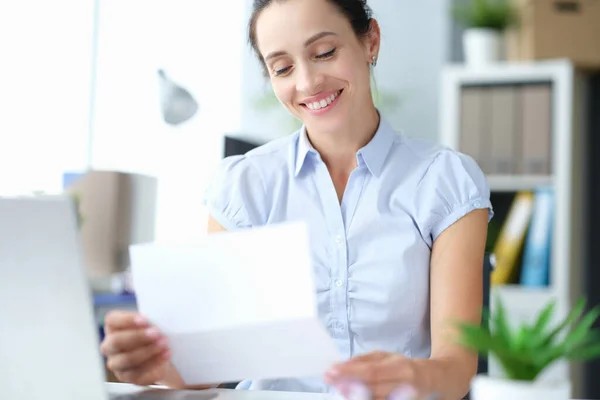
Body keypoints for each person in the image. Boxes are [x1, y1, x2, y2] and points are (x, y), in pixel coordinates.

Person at [100, 0, 493, 398]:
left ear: (370, 40)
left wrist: (412, 377)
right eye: (283, 68)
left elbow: (457, 366)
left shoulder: (444, 181)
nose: (307, 83)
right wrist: (158, 365)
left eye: (324, 53)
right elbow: (206, 371)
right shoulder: (244, 185)